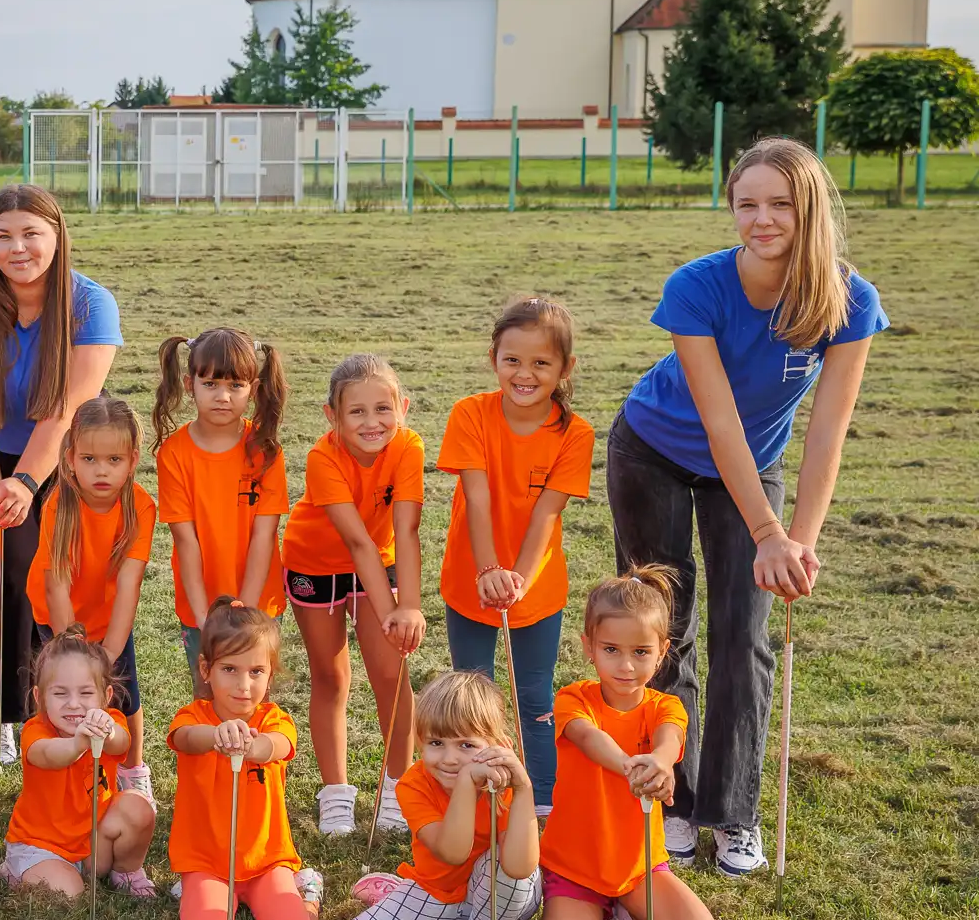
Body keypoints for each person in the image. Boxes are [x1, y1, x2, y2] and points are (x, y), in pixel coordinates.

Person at [608, 136, 886, 875]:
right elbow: (718, 417)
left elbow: (827, 430)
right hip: (654, 452)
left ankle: (731, 814)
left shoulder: (850, 301)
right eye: (746, 203)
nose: (761, 219)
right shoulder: (697, 287)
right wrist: (767, 529)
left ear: (810, 209)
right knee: (660, 628)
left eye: (779, 204)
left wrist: (796, 539)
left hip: (752, 466)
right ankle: (671, 798)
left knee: (745, 633)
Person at [0, 184, 121, 762]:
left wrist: (27, 484)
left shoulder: (90, 304)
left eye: (31, 233)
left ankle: (71, 704)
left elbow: (67, 410)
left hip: (63, 457)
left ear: (58, 235)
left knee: (58, 581)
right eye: (4, 236)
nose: (18, 248)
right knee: (5, 575)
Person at [438, 297, 594, 807]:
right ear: (493, 359)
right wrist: (487, 570)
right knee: (474, 695)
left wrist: (518, 579)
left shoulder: (576, 434)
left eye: (541, 363)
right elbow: (476, 499)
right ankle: (475, 796)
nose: (524, 375)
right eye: (513, 361)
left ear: (565, 368)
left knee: (534, 698)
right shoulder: (470, 414)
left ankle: (541, 799)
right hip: (470, 582)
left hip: (536, 591)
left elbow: (547, 515)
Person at [537, 569, 724, 920]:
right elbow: (588, 738)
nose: (625, 665)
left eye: (641, 651)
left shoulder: (667, 706)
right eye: (611, 649)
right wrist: (631, 767)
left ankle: (627, 909)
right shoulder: (572, 699)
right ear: (589, 647)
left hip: (638, 869)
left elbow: (669, 739)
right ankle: (585, 910)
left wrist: (658, 763)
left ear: (662, 653)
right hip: (575, 870)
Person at [279, 355, 426, 837]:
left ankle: (398, 786)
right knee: (330, 675)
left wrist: (407, 609)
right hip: (315, 565)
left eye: (383, 408)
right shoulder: (323, 457)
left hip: (376, 563)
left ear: (402, 407)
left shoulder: (408, 447)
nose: (372, 422)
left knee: (391, 672)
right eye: (356, 412)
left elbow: (405, 531)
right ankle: (336, 793)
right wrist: (392, 613)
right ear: (332, 416)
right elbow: (355, 541)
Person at [335, 671, 540, 920]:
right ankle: (398, 892)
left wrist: (524, 790)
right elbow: (453, 853)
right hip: (437, 891)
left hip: (501, 900)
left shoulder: (505, 785)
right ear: (421, 742)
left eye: (466, 745)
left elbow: (521, 868)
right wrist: (467, 785)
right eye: (436, 743)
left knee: (503, 861)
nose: (449, 758)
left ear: (500, 747)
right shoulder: (414, 784)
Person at [167, 597, 323, 920]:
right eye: (230, 670)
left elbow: (278, 746)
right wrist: (217, 737)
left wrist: (254, 746)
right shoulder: (192, 718)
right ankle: (198, 891)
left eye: (256, 672)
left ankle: (308, 891)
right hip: (207, 862)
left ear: (270, 674)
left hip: (266, 861)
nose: (244, 685)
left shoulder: (274, 720)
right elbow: (186, 739)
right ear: (206, 669)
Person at [153, 328, 290, 697]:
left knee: (252, 699)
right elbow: (186, 540)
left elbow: (265, 535)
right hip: (201, 605)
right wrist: (204, 617)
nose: (222, 396)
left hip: (259, 604)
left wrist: (246, 611)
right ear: (189, 383)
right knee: (208, 697)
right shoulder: (174, 455)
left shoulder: (265, 451)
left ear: (254, 388)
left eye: (235, 385)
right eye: (211, 383)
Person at [27, 397, 156, 789]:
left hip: (109, 616)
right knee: (64, 692)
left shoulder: (141, 507)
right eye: (89, 459)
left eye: (114, 460)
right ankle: (61, 769)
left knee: (124, 695)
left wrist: (110, 654)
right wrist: (72, 648)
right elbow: (56, 584)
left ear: (133, 460)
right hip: (58, 619)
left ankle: (133, 770)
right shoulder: (59, 506)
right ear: (69, 458)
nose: (101, 471)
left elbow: (130, 584)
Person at [1, 628, 158, 900]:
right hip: (42, 846)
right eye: (60, 694)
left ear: (106, 696)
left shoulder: (112, 720)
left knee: (139, 807)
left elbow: (121, 743)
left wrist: (107, 732)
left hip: (92, 840)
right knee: (69, 894)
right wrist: (77, 745)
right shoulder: (35, 730)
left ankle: (126, 872)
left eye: (86, 693)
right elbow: (47, 754)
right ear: (39, 697)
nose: (74, 705)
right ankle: (15, 869)